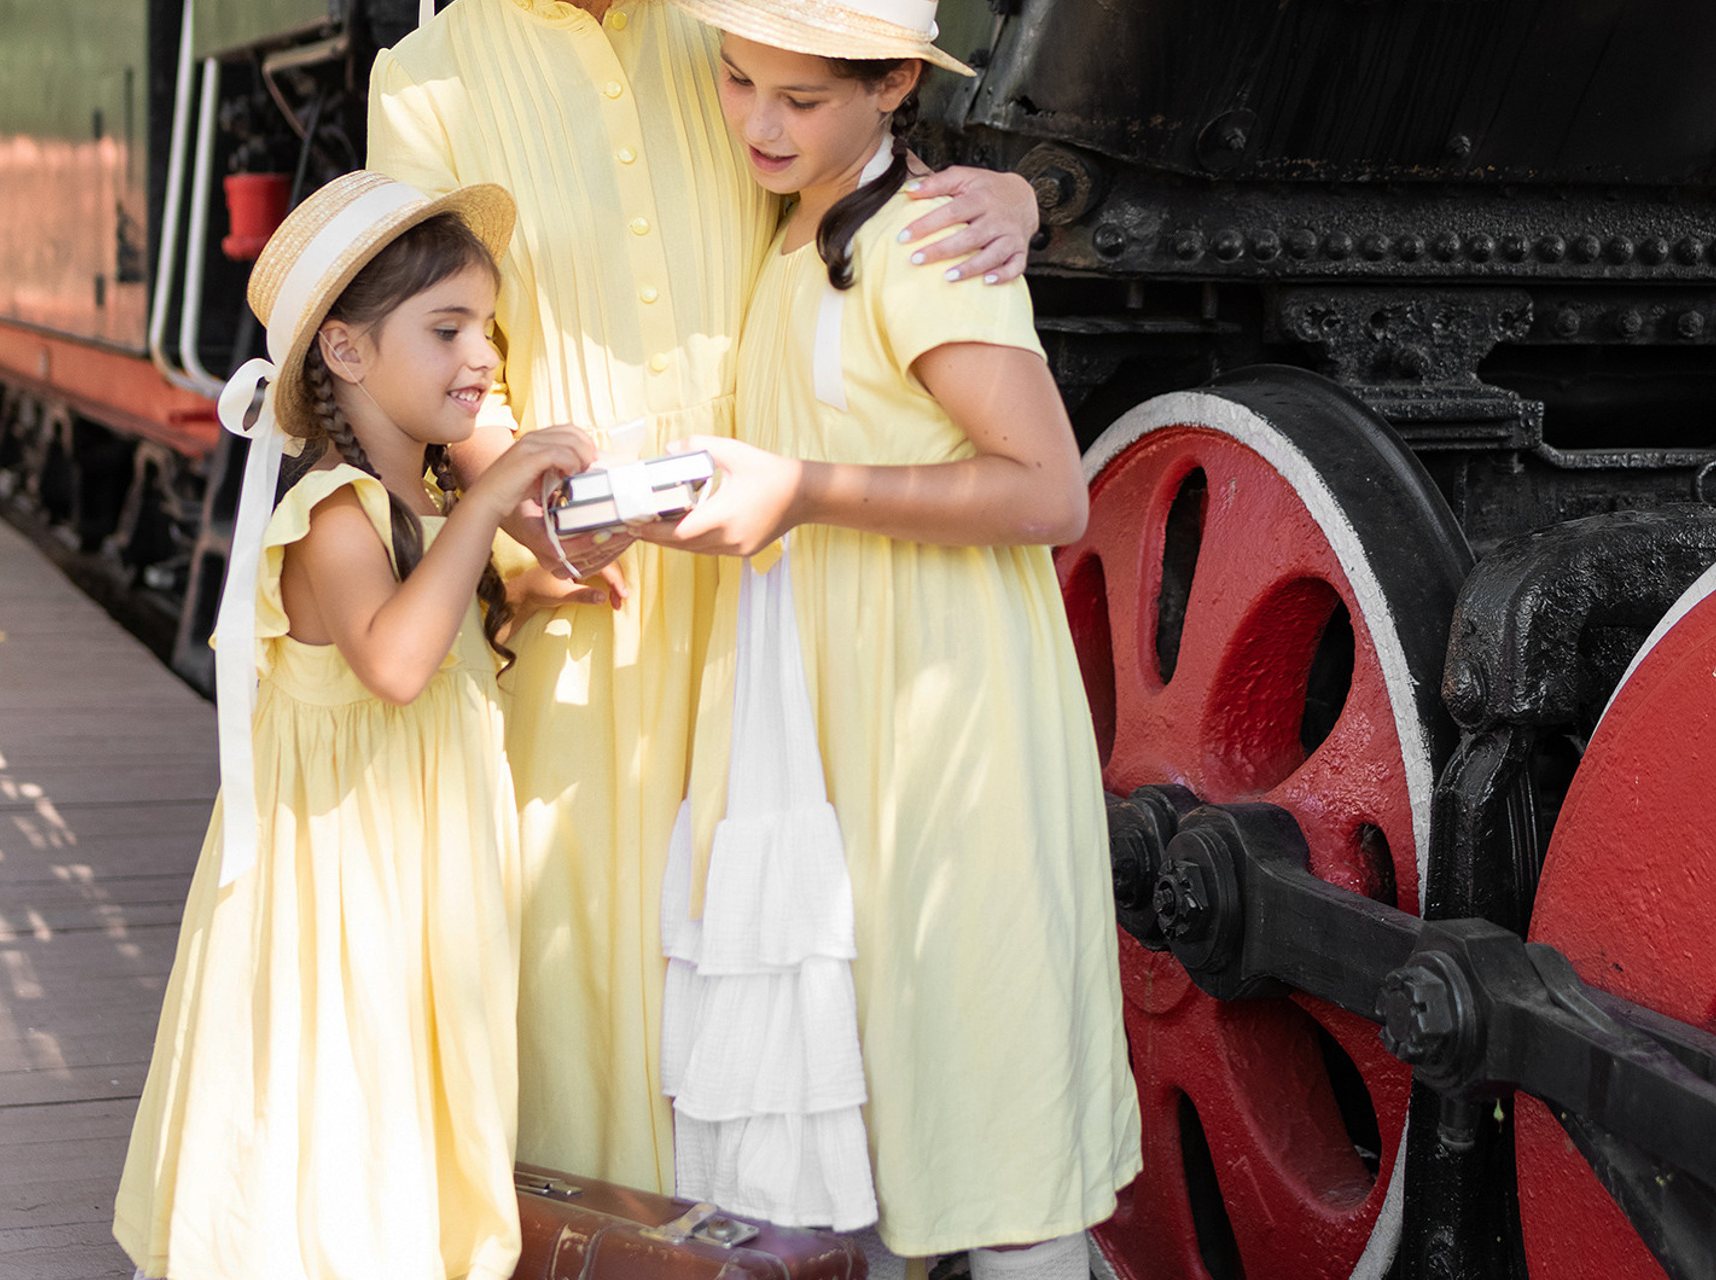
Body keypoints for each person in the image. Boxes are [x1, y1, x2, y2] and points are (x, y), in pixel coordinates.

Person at [366, 0, 1042, 1197]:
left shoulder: (727, 28)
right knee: (576, 946)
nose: (754, 107)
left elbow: (847, 162)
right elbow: (444, 357)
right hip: (586, 582)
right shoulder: (426, 77)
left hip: (778, 600)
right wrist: (533, 526)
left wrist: (1013, 196)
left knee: (791, 948)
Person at [637, 1, 1143, 1275]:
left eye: (799, 99)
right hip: (837, 709)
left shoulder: (918, 243)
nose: (757, 121)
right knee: (885, 1085)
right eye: (737, 78)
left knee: (985, 1094)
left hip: (941, 712)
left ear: (895, 87)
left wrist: (803, 487)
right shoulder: (798, 214)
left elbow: (1050, 489)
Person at [113, 171, 596, 1280]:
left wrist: (520, 592)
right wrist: (490, 501)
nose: (484, 356)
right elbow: (389, 660)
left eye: (488, 327)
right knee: (338, 1098)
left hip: (412, 884)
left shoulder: (412, 507)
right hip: (343, 887)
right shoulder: (331, 505)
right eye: (447, 329)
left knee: (398, 1098)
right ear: (344, 350)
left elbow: (428, 638)